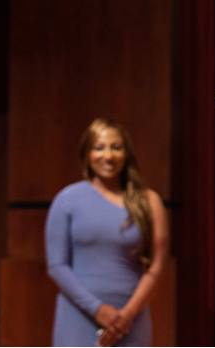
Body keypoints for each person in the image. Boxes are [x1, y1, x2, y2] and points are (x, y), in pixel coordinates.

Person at [45, 119, 169, 347]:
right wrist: (98, 309)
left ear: (126, 153)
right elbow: (56, 266)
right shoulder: (66, 199)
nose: (108, 156)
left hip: (131, 319)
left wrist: (126, 316)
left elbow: (157, 266)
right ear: (87, 153)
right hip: (78, 317)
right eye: (99, 147)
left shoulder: (149, 201)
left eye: (116, 147)